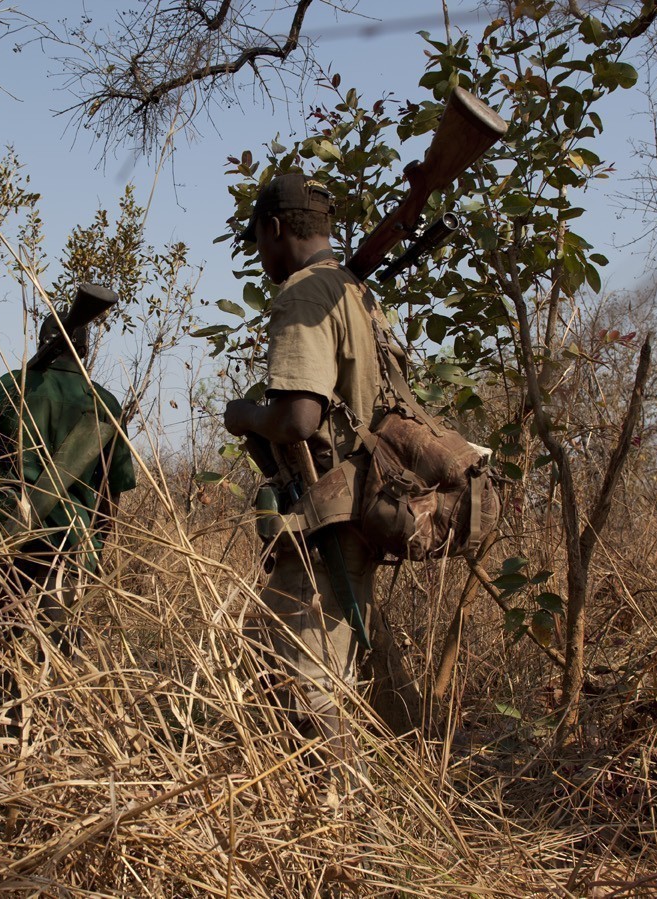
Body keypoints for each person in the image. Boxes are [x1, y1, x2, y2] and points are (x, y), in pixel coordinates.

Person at [224, 172, 385, 791]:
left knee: (302, 682)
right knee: (318, 675)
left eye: (259, 240)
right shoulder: (358, 292)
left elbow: (297, 418)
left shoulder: (302, 292)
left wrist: (244, 416)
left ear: (272, 229)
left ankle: (351, 831)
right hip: (359, 507)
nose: (261, 255)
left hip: (325, 517)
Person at [0, 312, 136, 714]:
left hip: (14, 533)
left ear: (42, 342)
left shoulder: (11, 388)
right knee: (61, 646)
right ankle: (53, 730)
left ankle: (0, 722)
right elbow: (112, 488)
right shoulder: (104, 402)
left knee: (4, 636)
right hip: (74, 540)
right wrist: (98, 540)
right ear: (85, 350)